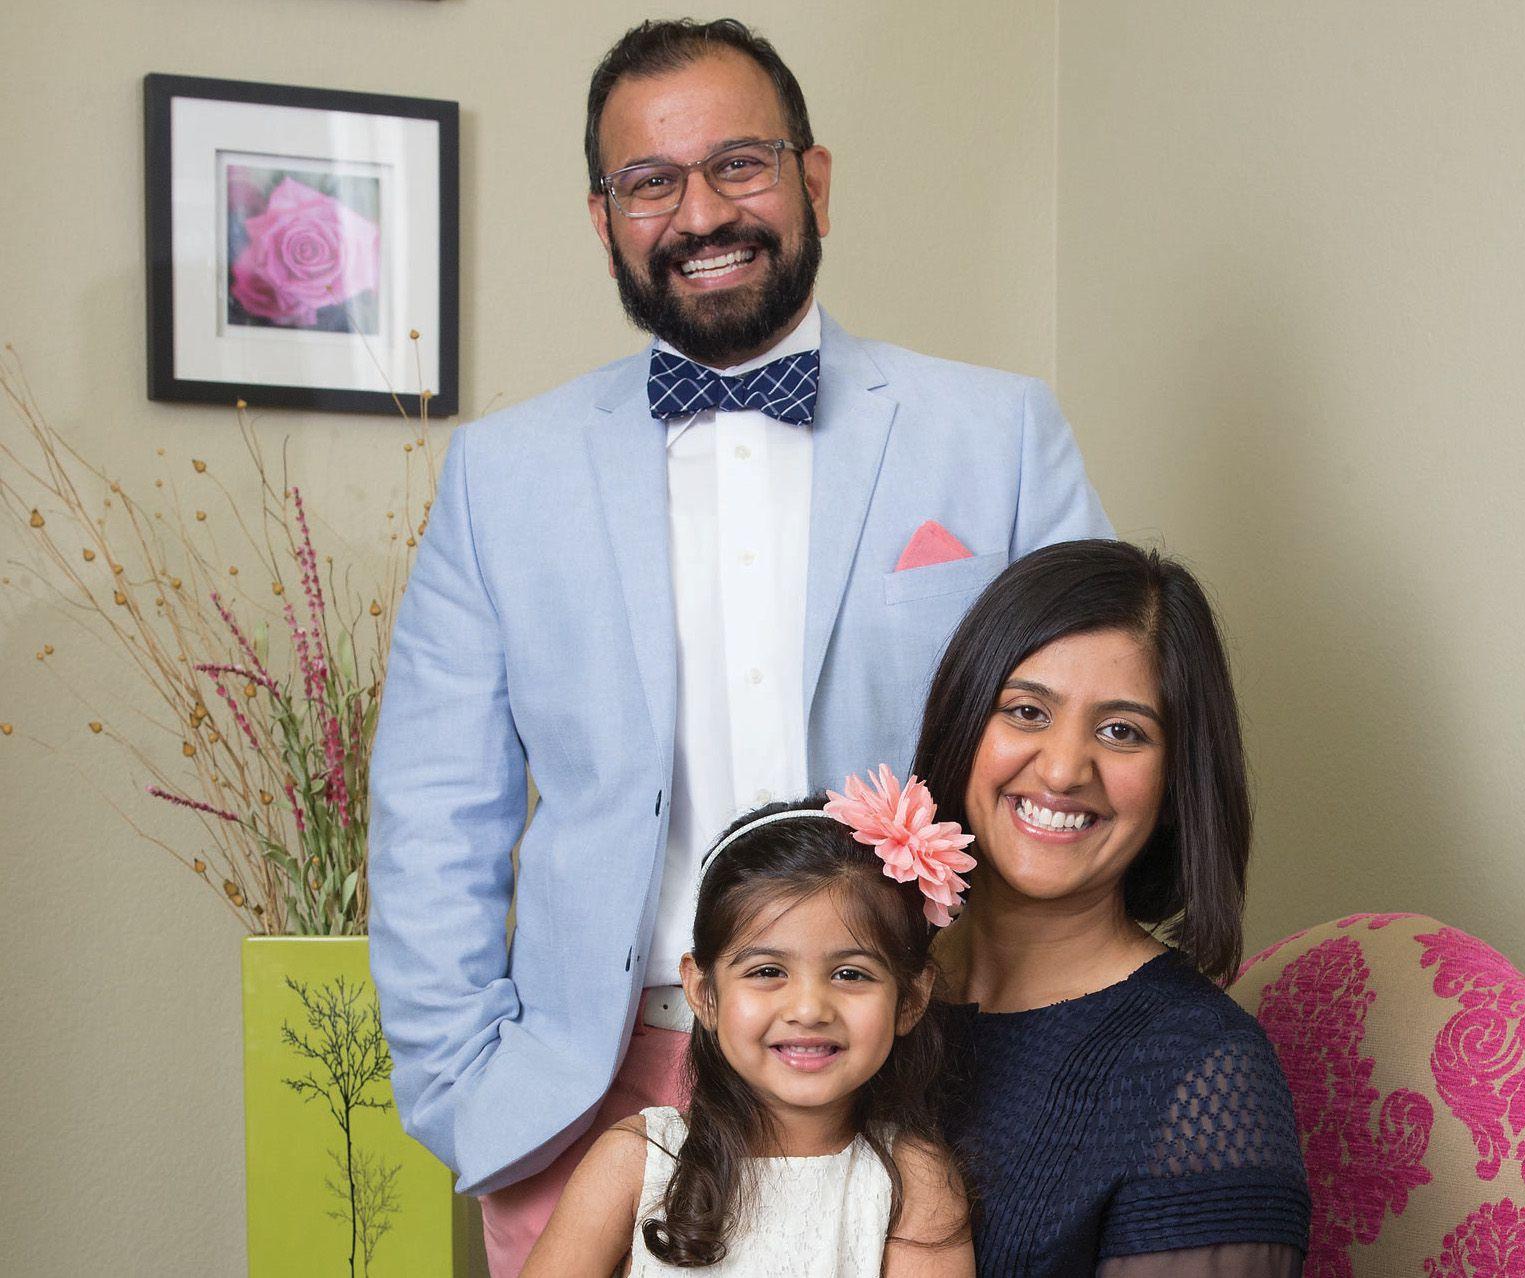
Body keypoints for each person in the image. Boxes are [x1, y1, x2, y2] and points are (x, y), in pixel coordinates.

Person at [367, 16, 1109, 1276]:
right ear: (603, 219)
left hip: (922, 1071)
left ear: (813, 179)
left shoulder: (999, 435)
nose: (701, 212)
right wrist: (465, 1084)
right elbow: (433, 812)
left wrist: (1037, 1032)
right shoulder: (501, 475)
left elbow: (1082, 753)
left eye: (739, 165)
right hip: (591, 1090)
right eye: (650, 182)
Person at [913, 540, 1311, 1277]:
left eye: (1121, 730)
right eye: (1026, 711)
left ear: (1176, 781)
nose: (1063, 769)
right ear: (961, 726)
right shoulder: (847, 991)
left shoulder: (1203, 1072)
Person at [519, 772, 976, 1277]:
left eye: (850, 974)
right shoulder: (636, 1161)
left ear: (911, 998)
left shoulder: (915, 1181)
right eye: (767, 972)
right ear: (703, 992)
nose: (809, 1009)